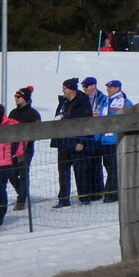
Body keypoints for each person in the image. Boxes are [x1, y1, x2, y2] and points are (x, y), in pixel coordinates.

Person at [52, 77, 93, 208]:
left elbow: (86, 122)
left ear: (71, 89)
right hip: (63, 142)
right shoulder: (63, 102)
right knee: (63, 172)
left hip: (77, 143)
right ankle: (63, 199)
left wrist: (82, 141)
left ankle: (84, 197)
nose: (62, 91)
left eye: (64, 88)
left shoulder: (83, 102)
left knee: (80, 171)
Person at [7, 86, 41, 211]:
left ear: (25, 98)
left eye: (18, 97)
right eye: (15, 96)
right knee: (10, 173)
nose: (16, 99)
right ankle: (22, 191)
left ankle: (21, 199)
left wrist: (24, 147)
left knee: (23, 173)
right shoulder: (13, 113)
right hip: (12, 148)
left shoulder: (33, 114)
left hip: (26, 148)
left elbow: (36, 132)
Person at [96, 79, 130, 202]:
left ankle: (111, 193)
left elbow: (130, 116)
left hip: (116, 140)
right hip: (105, 139)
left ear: (117, 88)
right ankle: (113, 191)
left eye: (110, 87)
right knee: (108, 166)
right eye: (107, 87)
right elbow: (100, 119)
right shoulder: (105, 102)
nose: (107, 89)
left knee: (113, 167)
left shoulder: (124, 102)